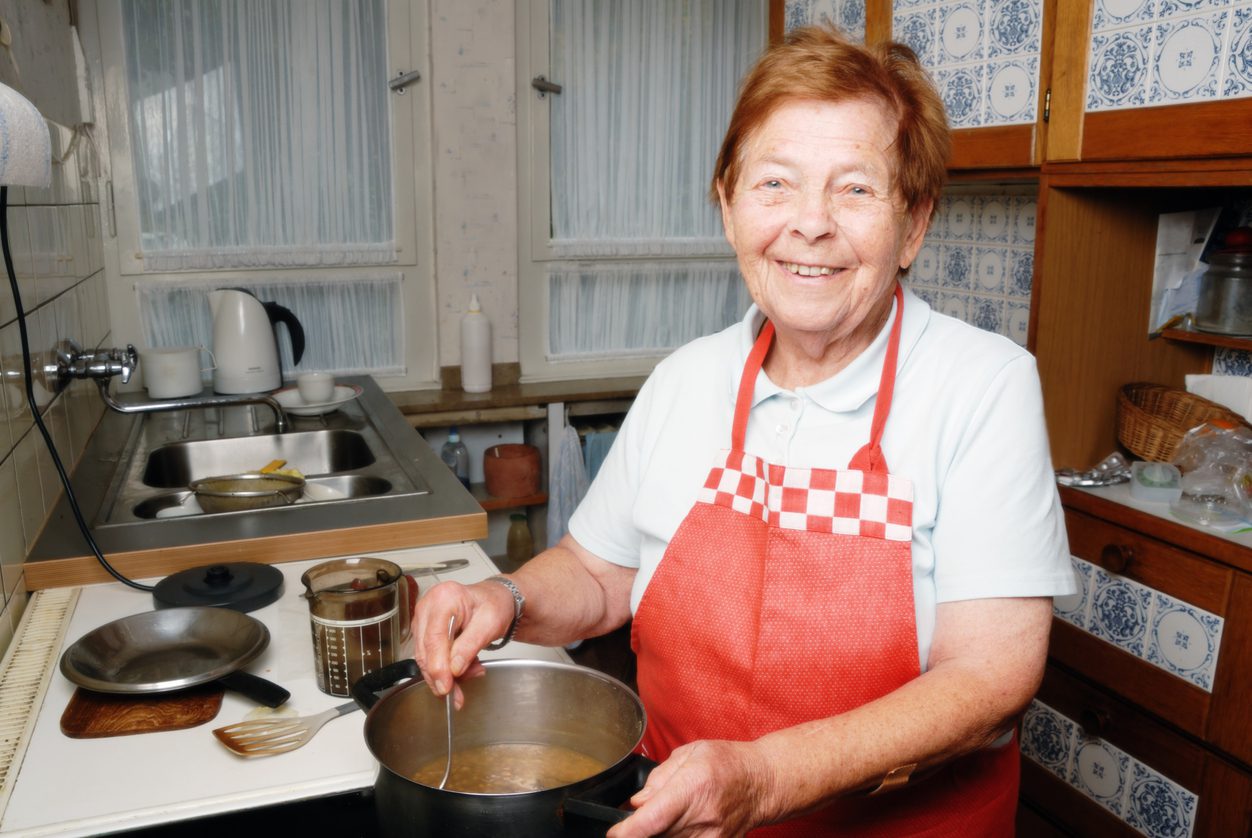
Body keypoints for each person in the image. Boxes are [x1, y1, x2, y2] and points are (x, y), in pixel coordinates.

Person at [414, 24, 1076, 837]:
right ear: (728, 206)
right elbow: (596, 574)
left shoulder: (982, 387)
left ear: (913, 226)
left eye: (856, 190)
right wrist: (503, 599)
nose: (810, 224)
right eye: (775, 184)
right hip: (670, 816)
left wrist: (763, 778)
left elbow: (990, 679)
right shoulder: (685, 379)